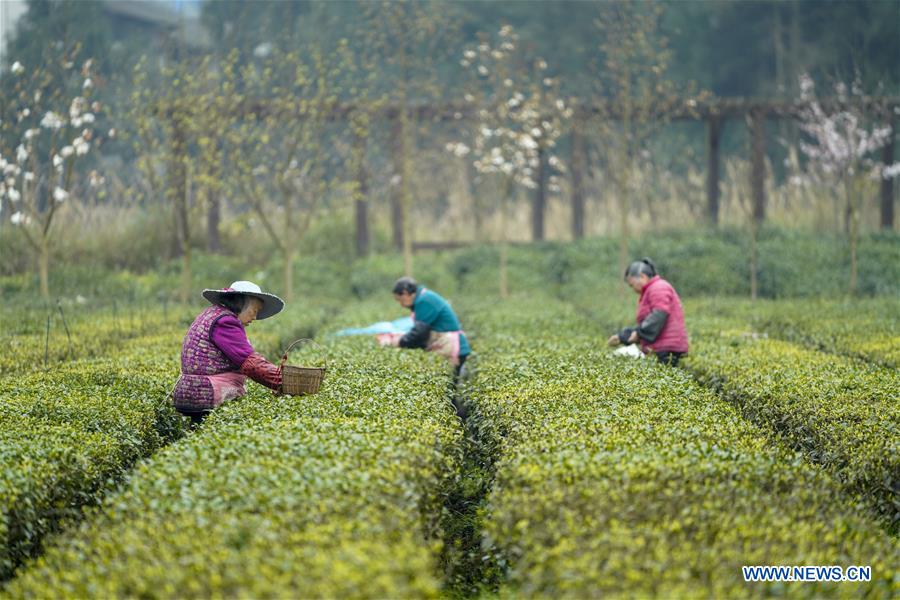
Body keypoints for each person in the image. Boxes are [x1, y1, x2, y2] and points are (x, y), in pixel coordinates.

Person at [172, 280, 285, 426]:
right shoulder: (225, 322)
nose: (255, 317)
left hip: (194, 390)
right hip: (205, 392)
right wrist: (284, 381)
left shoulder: (214, 313)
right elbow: (251, 363)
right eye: (254, 310)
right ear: (241, 304)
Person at [607, 258, 689, 366]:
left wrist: (639, 333)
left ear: (642, 276)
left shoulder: (659, 287)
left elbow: (659, 314)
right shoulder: (652, 289)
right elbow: (647, 323)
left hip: (666, 348)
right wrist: (623, 336)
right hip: (661, 346)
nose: (633, 289)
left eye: (632, 285)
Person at [387, 277, 471, 380]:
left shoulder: (424, 301)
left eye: (399, 300)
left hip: (452, 347)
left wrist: (400, 342)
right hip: (450, 346)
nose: (401, 304)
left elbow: (420, 333)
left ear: (405, 293)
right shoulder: (424, 297)